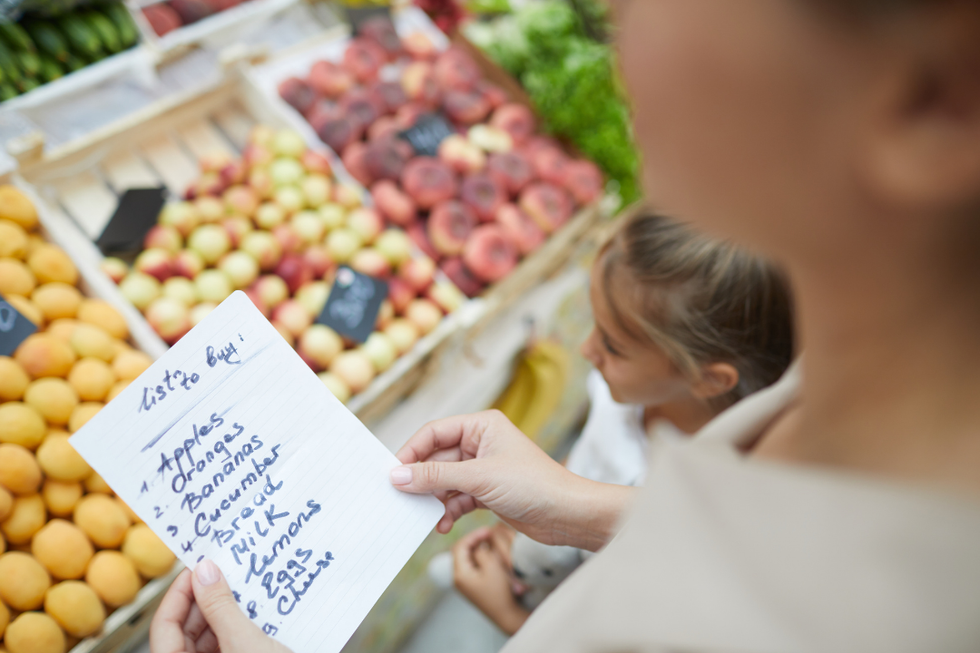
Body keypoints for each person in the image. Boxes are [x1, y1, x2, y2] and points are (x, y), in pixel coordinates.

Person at [152, 0, 980, 650]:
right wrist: (585, 506)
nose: (619, 40)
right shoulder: (866, 395)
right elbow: (785, 543)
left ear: (934, 92)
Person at [443, 212, 794, 635]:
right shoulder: (626, 396)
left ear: (706, 378)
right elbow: (593, 450)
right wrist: (547, 495)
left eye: (612, 345)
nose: (586, 349)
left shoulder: (709, 519)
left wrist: (510, 620)